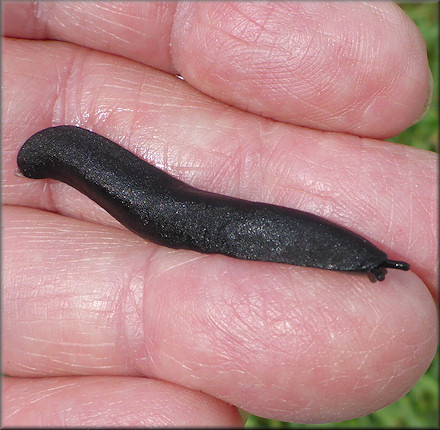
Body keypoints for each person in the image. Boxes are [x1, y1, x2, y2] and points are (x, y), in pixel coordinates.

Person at [2, 1, 437, 427]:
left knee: (183, 213)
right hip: (143, 195)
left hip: (155, 201)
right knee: (177, 212)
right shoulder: (60, 145)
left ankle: (364, 260)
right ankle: (364, 260)